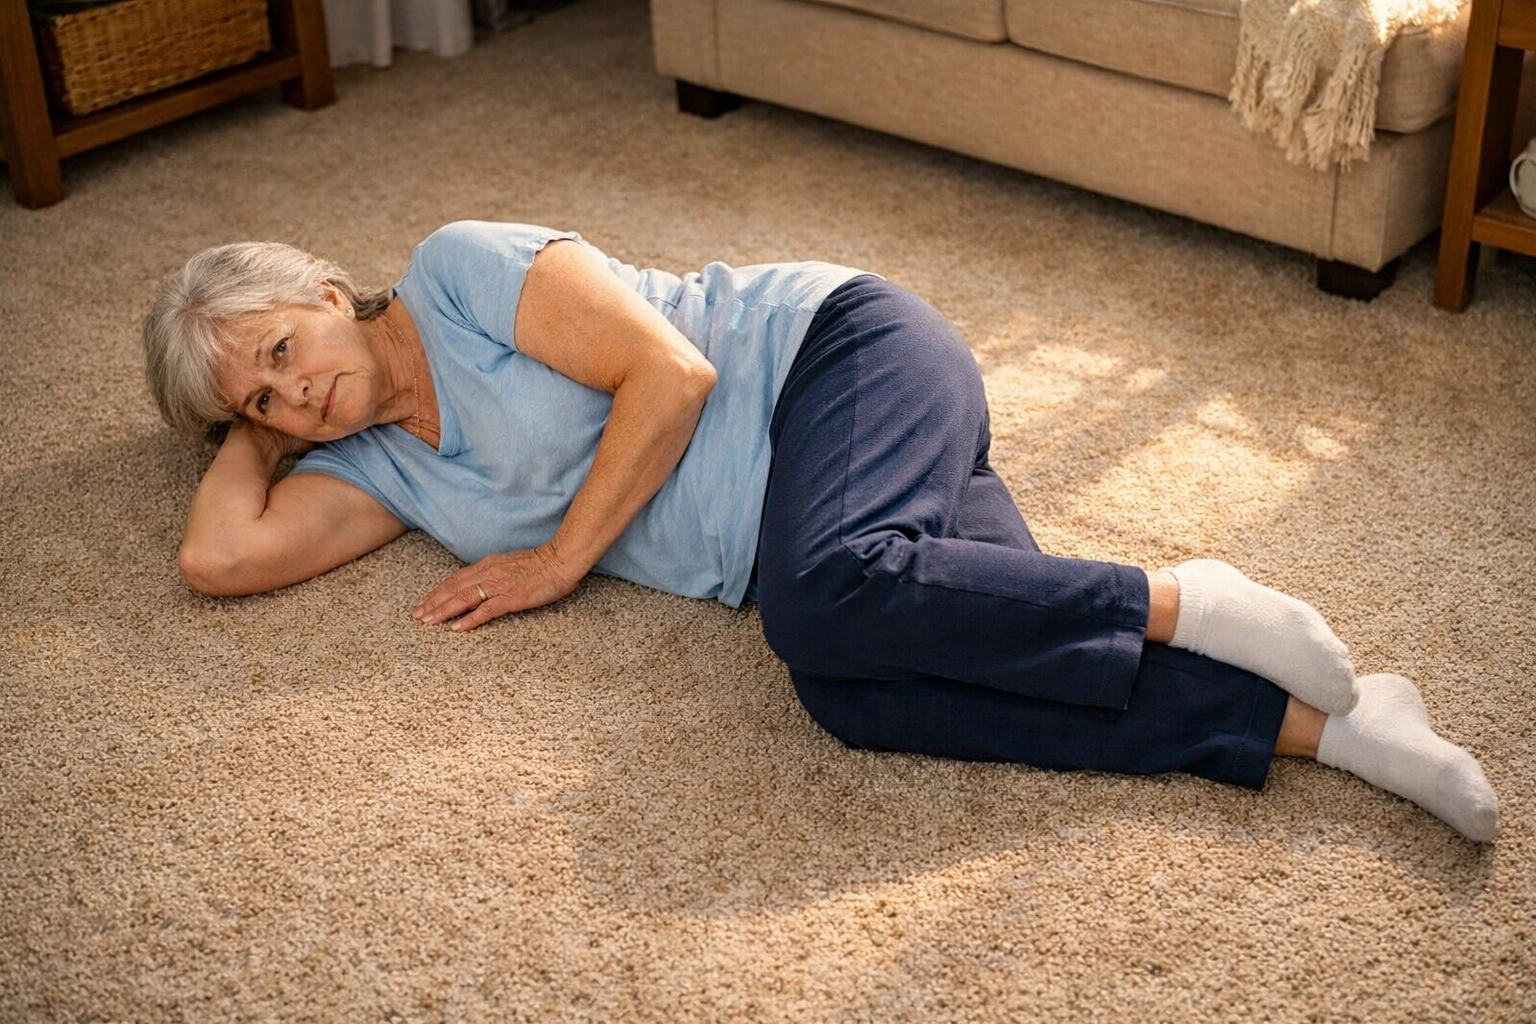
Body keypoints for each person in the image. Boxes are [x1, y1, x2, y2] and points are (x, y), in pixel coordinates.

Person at [142, 221, 1499, 842]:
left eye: (283, 348)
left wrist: (559, 562)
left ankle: (1183, 594)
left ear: (329, 288)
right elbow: (220, 560)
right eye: (260, 400)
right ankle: (1337, 730)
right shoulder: (381, 464)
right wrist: (251, 419)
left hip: (838, 356)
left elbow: (673, 373)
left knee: (822, 605)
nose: (291, 392)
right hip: (849, 529)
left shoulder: (455, 271)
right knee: (858, 691)